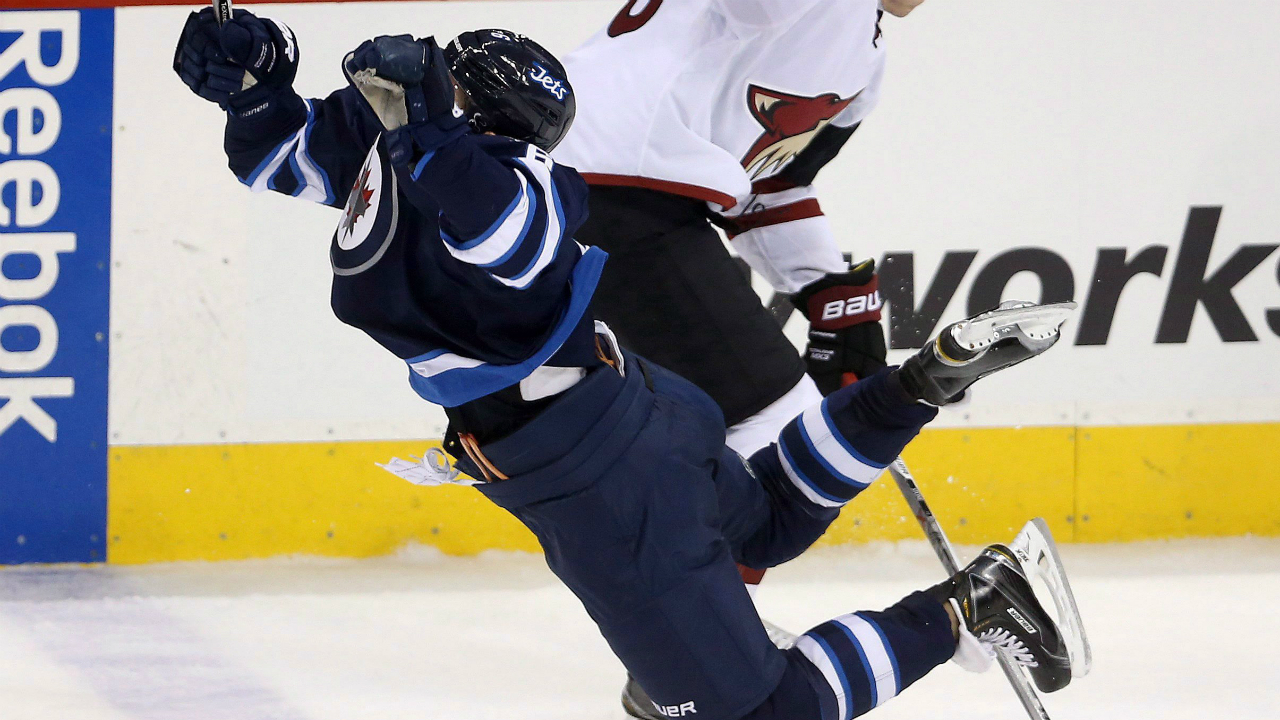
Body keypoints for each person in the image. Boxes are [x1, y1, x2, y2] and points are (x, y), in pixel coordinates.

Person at [173, 10, 1087, 720]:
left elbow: (509, 241)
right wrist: (251, 89)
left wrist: (430, 135)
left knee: (759, 711)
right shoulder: (407, 157)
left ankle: (965, 609)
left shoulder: (520, 184)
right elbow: (285, 156)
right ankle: (922, 383)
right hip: (624, 416)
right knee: (765, 520)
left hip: (597, 467)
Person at [557, 0, 925, 455]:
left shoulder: (865, 58)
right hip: (605, 193)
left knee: (651, 442)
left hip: (597, 198)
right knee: (777, 427)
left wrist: (835, 297)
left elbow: (771, 187)